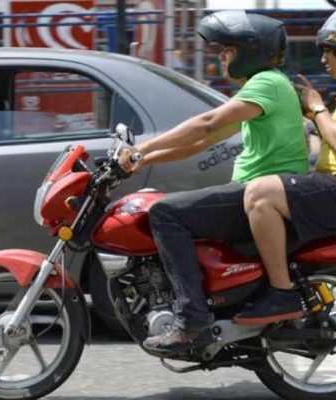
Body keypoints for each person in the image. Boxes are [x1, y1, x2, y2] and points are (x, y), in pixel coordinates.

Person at [118, 10, 308, 352]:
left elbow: (207, 123)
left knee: (164, 213)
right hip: (259, 192)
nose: (221, 57)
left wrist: (142, 147)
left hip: (260, 193)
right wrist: (143, 160)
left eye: (228, 50)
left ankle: (192, 323)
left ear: (252, 50)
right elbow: (202, 142)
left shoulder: (267, 83)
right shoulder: (263, 90)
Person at [237, 3, 336, 324]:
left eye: (331, 51)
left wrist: (316, 106)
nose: (324, 59)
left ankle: (281, 294)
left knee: (260, 194)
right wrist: (310, 111)